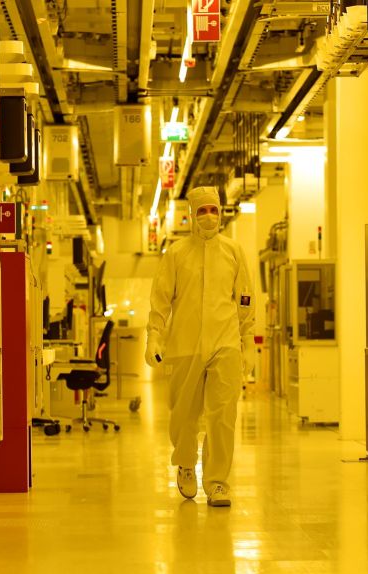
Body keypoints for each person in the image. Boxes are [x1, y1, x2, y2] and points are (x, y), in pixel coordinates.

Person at [145, 186, 255, 507]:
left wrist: (247, 342)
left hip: (225, 343)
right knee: (184, 415)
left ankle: (218, 481)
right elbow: (161, 300)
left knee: (223, 415)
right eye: (202, 211)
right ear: (192, 214)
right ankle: (185, 463)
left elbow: (245, 300)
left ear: (221, 212)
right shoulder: (177, 254)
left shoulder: (233, 252)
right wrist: (155, 335)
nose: (209, 217)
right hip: (184, 344)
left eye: (214, 210)